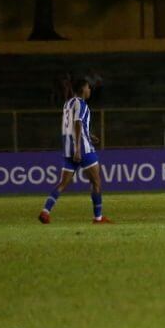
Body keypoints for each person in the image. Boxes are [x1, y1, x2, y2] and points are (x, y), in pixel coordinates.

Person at [39, 78, 112, 224]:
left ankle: (45, 211)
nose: (90, 90)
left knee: (63, 183)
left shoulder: (68, 103)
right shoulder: (82, 104)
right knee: (96, 182)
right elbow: (77, 122)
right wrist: (79, 147)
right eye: (88, 88)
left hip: (67, 148)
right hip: (82, 148)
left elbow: (72, 125)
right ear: (83, 88)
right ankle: (98, 218)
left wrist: (89, 135)